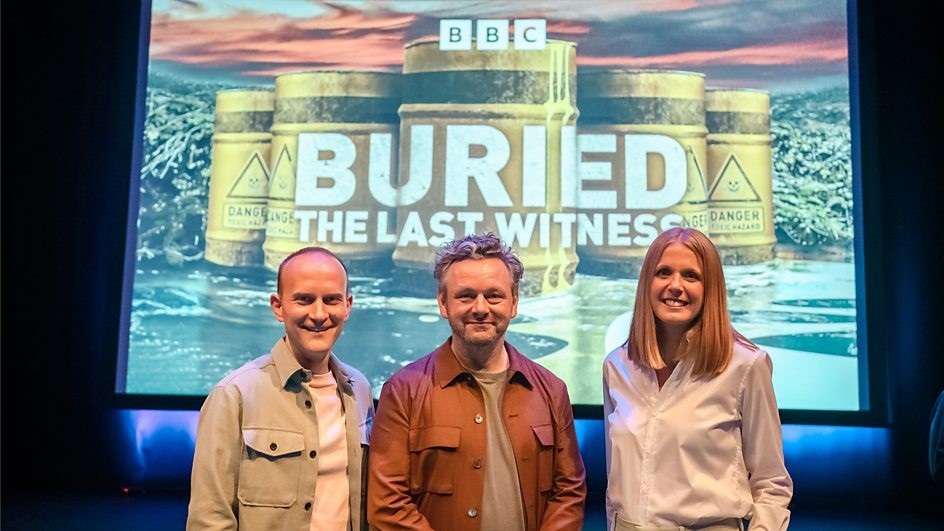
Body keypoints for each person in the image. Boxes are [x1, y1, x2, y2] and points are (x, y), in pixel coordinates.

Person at [367, 232, 586, 530]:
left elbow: (569, 493)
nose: (480, 308)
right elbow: (388, 506)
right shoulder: (403, 391)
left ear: (514, 303)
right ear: (443, 303)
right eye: (466, 295)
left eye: (494, 295)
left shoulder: (552, 390)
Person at [602, 227, 793, 531]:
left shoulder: (746, 366)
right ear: (646, 282)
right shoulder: (617, 365)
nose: (675, 286)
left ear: (710, 288)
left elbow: (771, 484)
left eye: (691, 276)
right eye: (663, 272)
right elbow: (616, 481)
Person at [186, 246, 375, 530]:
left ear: (348, 306)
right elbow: (209, 517)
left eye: (332, 300)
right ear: (278, 306)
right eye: (304, 300)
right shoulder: (234, 395)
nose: (319, 314)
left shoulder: (358, 388)